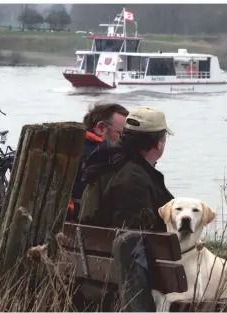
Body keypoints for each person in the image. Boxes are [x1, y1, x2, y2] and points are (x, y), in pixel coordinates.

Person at [78, 107, 175, 311]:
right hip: (129, 283)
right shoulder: (136, 179)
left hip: (95, 275)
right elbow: (133, 242)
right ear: (159, 143)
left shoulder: (103, 165)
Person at [66, 100, 129, 222]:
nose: (126, 141)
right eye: (122, 134)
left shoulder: (71, 146)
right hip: (81, 225)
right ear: (101, 128)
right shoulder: (99, 158)